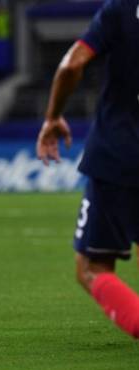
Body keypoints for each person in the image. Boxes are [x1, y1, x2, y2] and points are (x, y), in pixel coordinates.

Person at [36, 0, 139, 339]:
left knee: (91, 269)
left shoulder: (120, 10)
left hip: (120, 153)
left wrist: (52, 117)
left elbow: (70, 65)